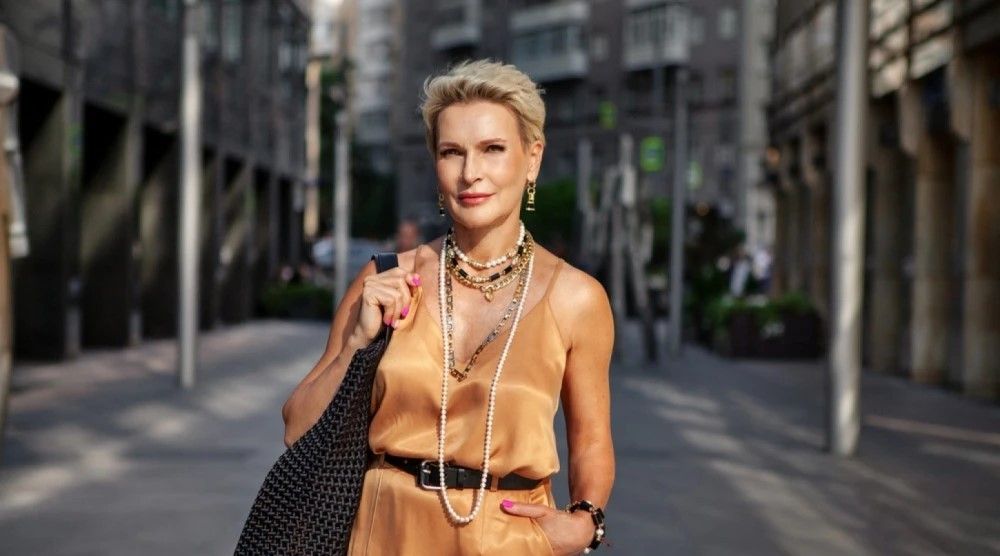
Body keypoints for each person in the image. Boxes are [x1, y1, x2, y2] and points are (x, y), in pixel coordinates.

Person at [281, 60, 615, 556]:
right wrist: (356, 344)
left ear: (532, 159)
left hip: (510, 540)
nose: (470, 173)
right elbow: (297, 428)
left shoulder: (576, 297)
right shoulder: (385, 278)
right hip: (384, 535)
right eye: (451, 152)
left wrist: (586, 523)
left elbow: (590, 440)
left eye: (492, 149)